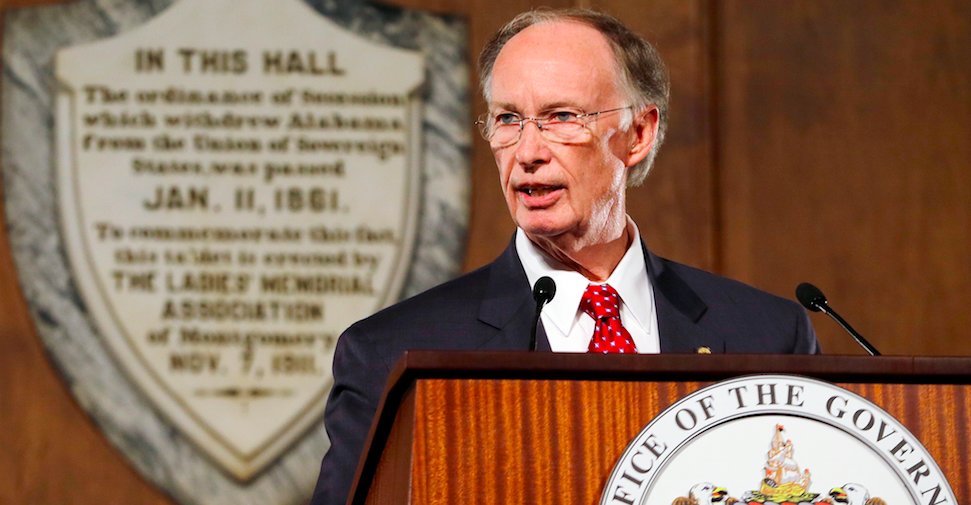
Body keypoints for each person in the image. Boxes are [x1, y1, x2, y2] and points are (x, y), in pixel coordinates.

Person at [310, 8, 818, 505]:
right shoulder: (393, 354)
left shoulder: (770, 336)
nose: (527, 151)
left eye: (561, 117)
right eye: (508, 119)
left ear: (638, 134)